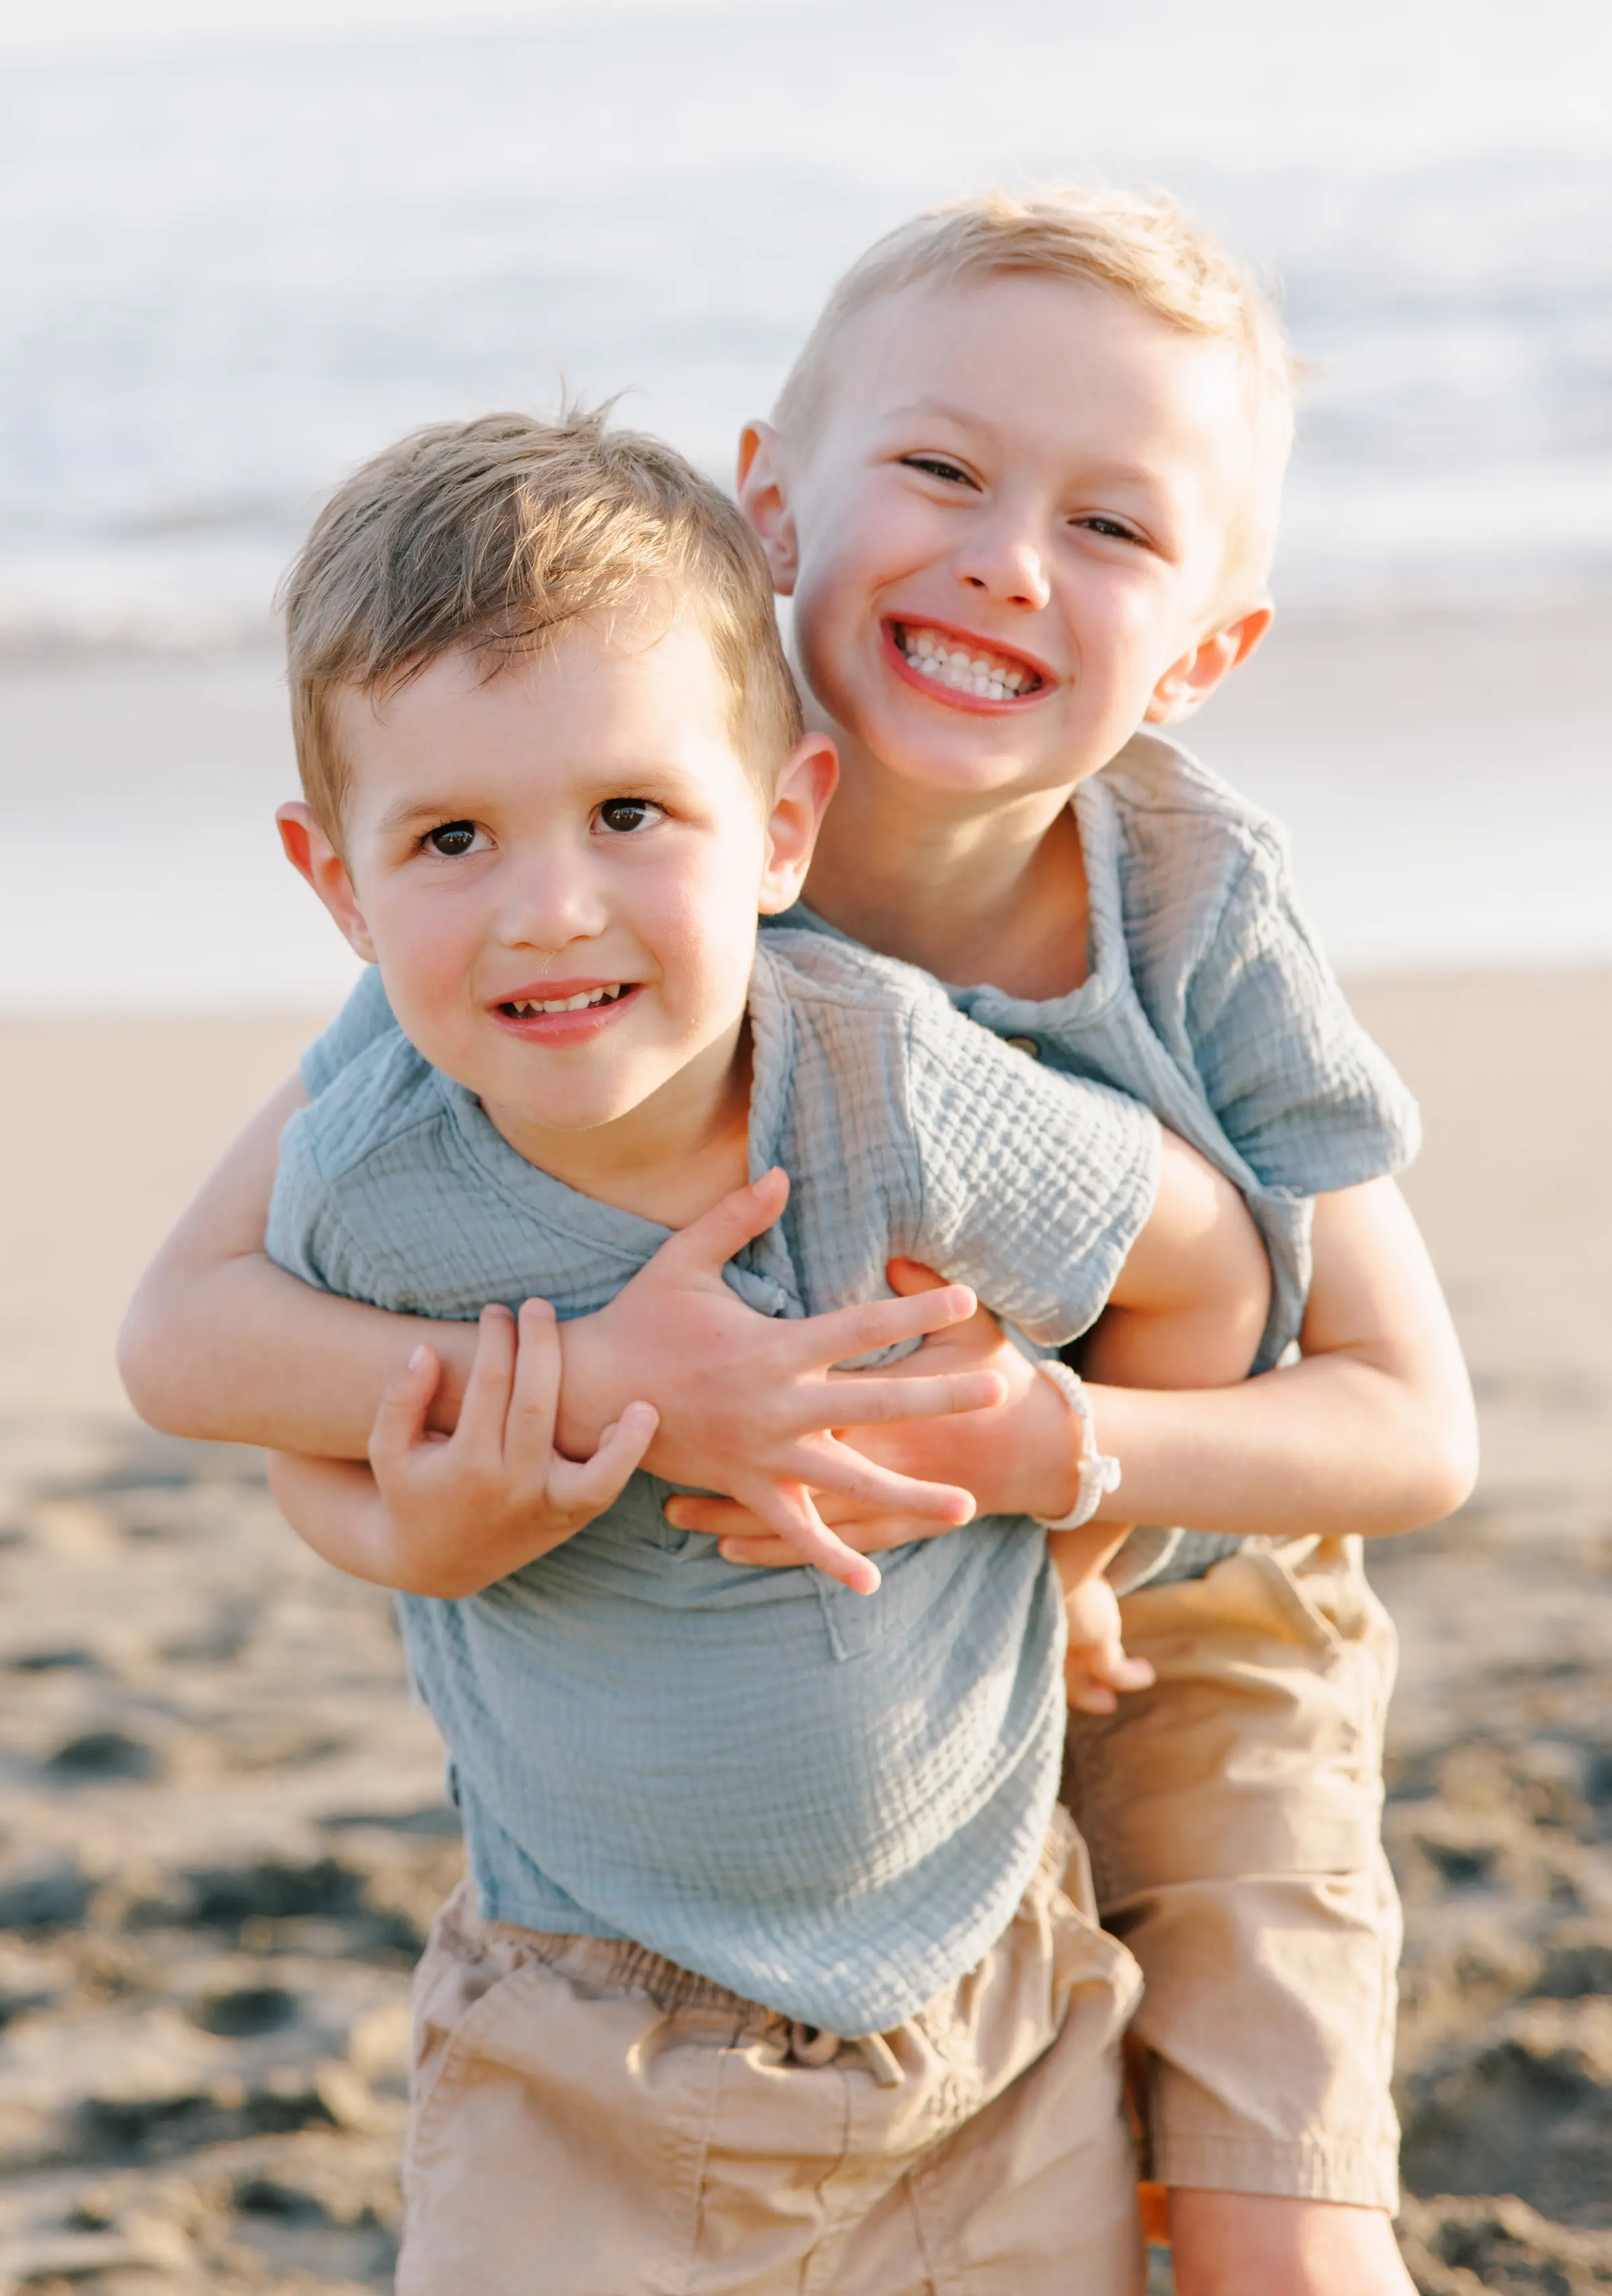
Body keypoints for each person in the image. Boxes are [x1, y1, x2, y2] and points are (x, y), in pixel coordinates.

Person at [121, 189, 1478, 2295]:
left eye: (1111, 529)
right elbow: (201, 1324)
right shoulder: (609, 856)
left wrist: (1069, 1492)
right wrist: (623, 1389)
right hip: (840, 1657)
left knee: (1283, 2250)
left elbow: (1401, 1424)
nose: (1005, 555)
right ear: (771, 504)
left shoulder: (1190, 905)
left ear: (1208, 641)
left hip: (1192, 1597)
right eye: (937, 468)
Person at [239, 406, 1283, 2290]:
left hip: (988, 2006)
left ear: (780, 822)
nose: (550, 903)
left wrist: (1082, 1531)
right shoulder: (377, 1186)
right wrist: (421, 1538)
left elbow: (1203, 1266)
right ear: (340, 884)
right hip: (582, 2021)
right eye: (452, 838)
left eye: (629, 814)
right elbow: (284, 1428)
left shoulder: (892, 1084)